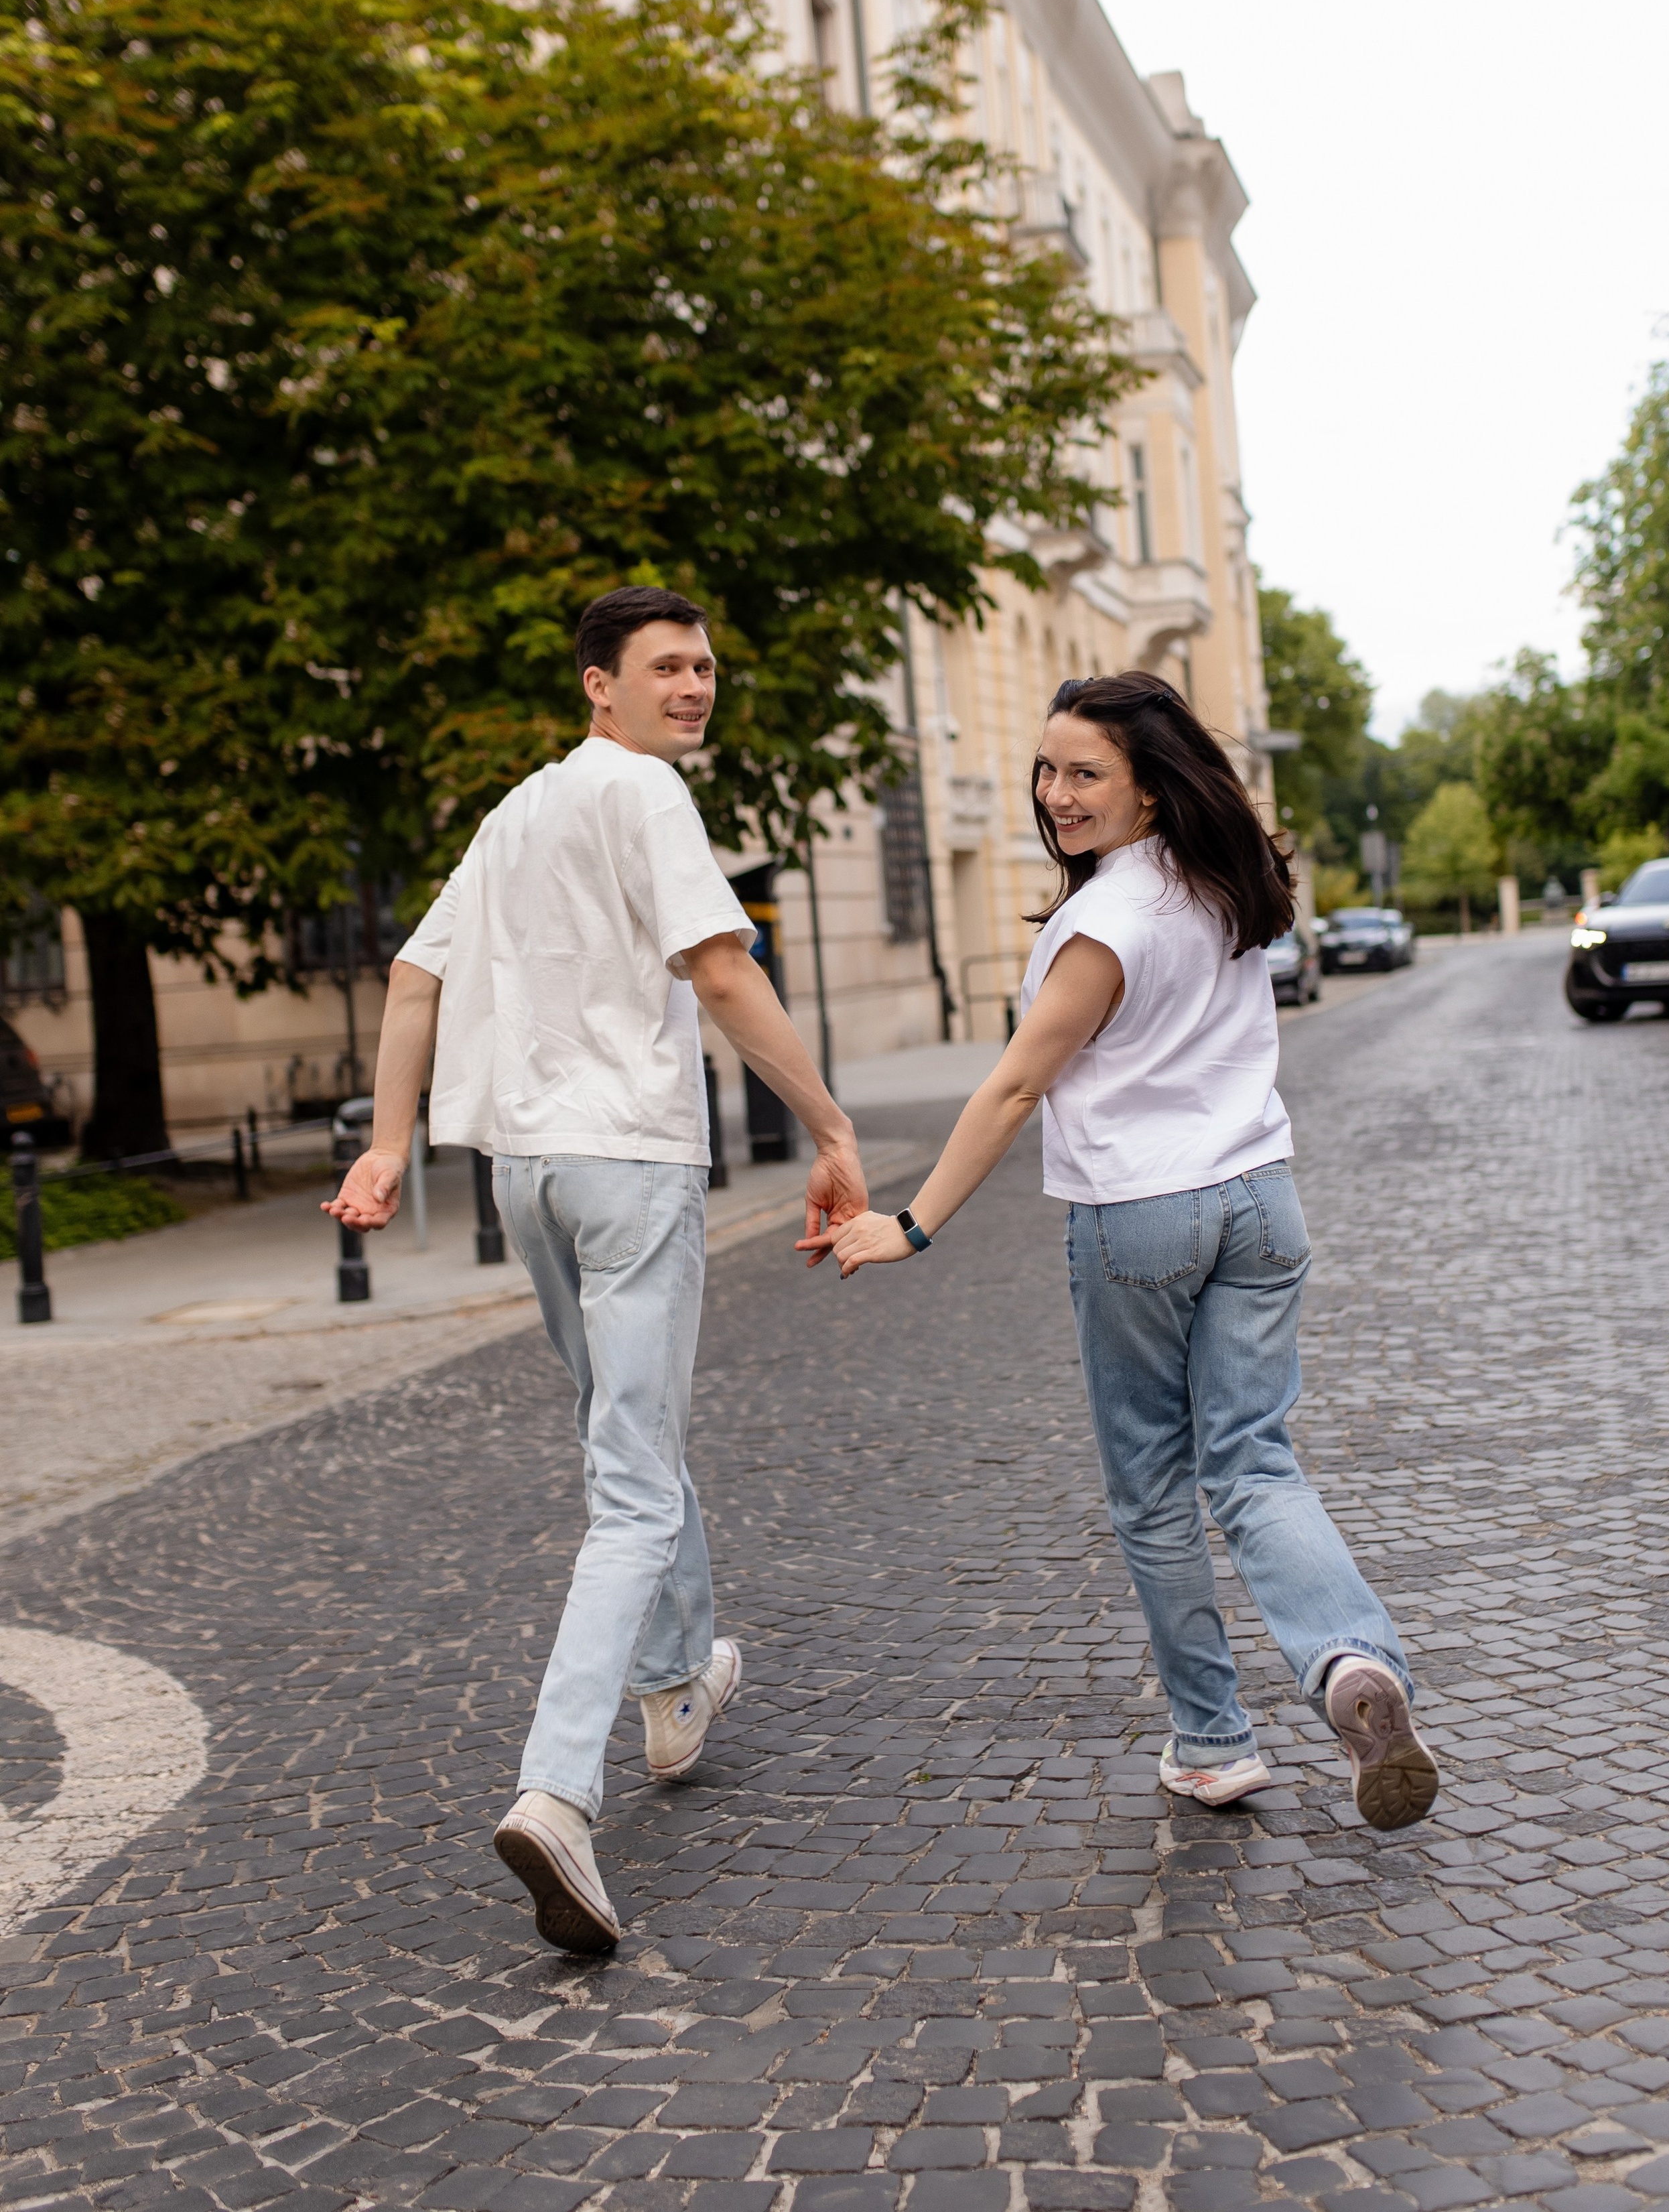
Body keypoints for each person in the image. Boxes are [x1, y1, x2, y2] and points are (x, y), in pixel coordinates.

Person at [322, 586, 868, 1950]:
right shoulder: (643, 793)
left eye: (705, 665)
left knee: (628, 1432)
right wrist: (830, 1123)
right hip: (626, 1159)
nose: (694, 685)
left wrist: (388, 1145)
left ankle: (676, 1687)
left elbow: (412, 978)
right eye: (666, 666)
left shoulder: (515, 812)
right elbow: (722, 972)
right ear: (598, 684)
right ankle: (558, 1790)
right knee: (631, 1478)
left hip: (526, 1172)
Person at [820, 671, 1437, 1832]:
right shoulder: (1220, 879)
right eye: (1047, 769)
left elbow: (1015, 1086)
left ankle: (1214, 1740)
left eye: (1085, 773)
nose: (1056, 792)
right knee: (1254, 1462)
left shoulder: (1105, 923)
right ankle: (1354, 1662)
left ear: (1149, 790)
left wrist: (911, 1223)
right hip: (1262, 1200)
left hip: (1143, 1215)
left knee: (1155, 1487)